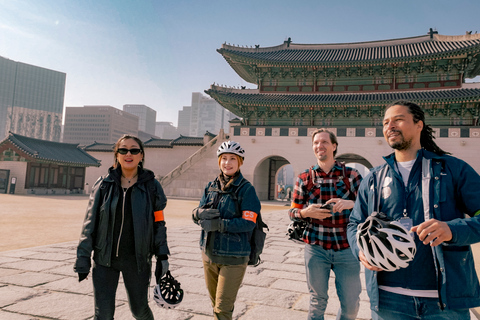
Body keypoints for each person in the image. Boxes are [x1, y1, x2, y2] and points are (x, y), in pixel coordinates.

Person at [347, 100, 480, 320]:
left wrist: (453, 230)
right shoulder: (373, 178)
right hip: (388, 300)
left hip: (445, 301)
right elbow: (354, 224)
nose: (390, 126)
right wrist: (361, 251)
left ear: (419, 124)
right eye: (386, 122)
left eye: (398, 119)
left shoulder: (453, 169)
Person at [74, 134, 170, 320]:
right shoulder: (103, 184)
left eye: (134, 150)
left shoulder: (152, 186)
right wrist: (83, 257)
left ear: (141, 155)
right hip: (104, 259)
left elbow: (159, 223)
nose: (129, 154)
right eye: (123, 150)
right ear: (116, 154)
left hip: (137, 260)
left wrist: (162, 256)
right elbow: (89, 222)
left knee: (139, 310)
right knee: (103, 314)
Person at [288, 128, 363, 320]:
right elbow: (292, 212)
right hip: (316, 247)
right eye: (315, 143)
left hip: (347, 247)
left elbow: (369, 207)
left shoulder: (352, 175)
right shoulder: (305, 178)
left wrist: (351, 203)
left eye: (324, 142)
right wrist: (306, 212)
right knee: (317, 301)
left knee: (351, 304)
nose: (319, 146)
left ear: (334, 146)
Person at [192, 141, 261, 320]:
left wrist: (220, 224)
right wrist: (197, 213)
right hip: (208, 255)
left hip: (234, 258)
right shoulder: (210, 187)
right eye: (223, 159)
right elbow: (197, 214)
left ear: (240, 162)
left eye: (232, 159)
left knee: (222, 309)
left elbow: (249, 223)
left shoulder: (246, 190)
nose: (227, 163)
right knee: (216, 305)